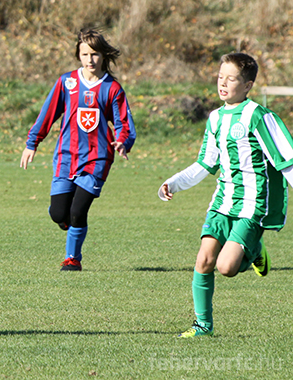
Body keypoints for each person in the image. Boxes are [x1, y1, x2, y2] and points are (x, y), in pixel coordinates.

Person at [158, 52, 293, 337]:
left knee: (226, 267)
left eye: (231, 79)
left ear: (247, 85)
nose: (223, 83)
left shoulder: (258, 116)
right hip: (222, 202)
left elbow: (286, 159)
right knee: (204, 260)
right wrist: (174, 182)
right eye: (221, 77)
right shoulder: (215, 118)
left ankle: (255, 250)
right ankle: (202, 326)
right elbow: (205, 163)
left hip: (252, 205)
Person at [20, 28, 136, 271]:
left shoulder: (112, 88)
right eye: (84, 54)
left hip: (97, 158)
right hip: (66, 156)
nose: (90, 60)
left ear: (103, 56)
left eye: (94, 54)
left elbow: (123, 122)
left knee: (78, 211)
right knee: (58, 213)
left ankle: (72, 258)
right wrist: (33, 142)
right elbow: (48, 113)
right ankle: (68, 221)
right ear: (78, 55)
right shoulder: (67, 82)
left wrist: (123, 141)